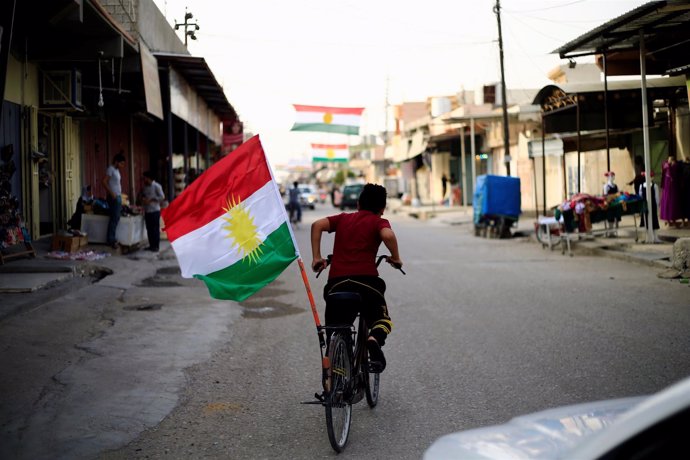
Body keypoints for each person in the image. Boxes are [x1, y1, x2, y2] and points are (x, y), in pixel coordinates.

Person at [310, 183, 403, 372]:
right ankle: (373, 339)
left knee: (337, 329)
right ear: (382, 209)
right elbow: (387, 234)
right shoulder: (378, 222)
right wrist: (396, 257)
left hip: (337, 284)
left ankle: (335, 379)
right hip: (366, 282)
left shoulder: (343, 219)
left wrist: (316, 257)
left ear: (359, 203)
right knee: (381, 320)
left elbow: (317, 225)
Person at [102, 153, 125, 249]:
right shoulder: (111, 169)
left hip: (118, 196)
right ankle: (110, 239)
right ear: (116, 162)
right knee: (114, 218)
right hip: (113, 197)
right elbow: (104, 182)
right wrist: (112, 194)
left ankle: (112, 238)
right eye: (121, 163)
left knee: (116, 218)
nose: (122, 166)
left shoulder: (116, 170)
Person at [140, 171, 165, 252]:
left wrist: (151, 200)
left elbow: (162, 197)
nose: (144, 180)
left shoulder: (157, 186)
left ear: (149, 178)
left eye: (145, 178)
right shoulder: (145, 187)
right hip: (147, 211)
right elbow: (143, 195)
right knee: (149, 229)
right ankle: (151, 245)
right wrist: (143, 199)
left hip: (155, 210)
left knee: (155, 229)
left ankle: (156, 246)